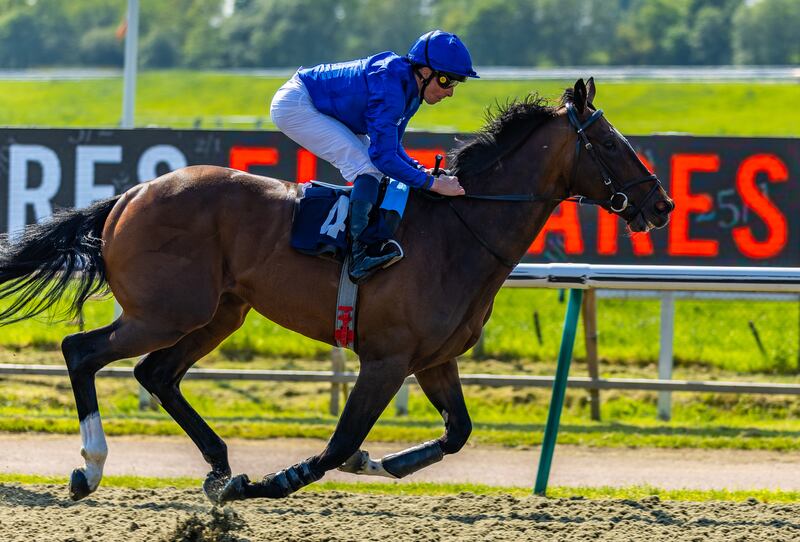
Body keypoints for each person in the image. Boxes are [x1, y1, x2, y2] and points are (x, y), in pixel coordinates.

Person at [270, 29, 479, 283]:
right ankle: (359, 253)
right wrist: (433, 184)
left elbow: (392, 147)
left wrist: (421, 171)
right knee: (366, 167)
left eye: (456, 83)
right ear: (425, 72)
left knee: (373, 168)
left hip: (317, 102)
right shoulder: (392, 89)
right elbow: (383, 157)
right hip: (296, 104)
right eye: (447, 81)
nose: (450, 92)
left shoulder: (411, 90)